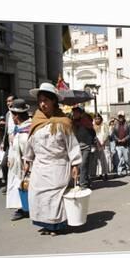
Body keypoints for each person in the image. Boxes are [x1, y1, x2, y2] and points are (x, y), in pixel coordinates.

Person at [23, 83, 82, 236]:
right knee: (39, 195)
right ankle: (45, 224)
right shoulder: (36, 121)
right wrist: (27, 159)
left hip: (58, 166)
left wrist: (75, 163)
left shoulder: (62, 121)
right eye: (40, 100)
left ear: (54, 101)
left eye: (46, 100)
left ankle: (56, 226)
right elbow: (31, 142)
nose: (43, 104)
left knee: (55, 196)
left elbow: (71, 144)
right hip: (39, 167)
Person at [5, 99, 32, 221]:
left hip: (24, 166)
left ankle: (25, 208)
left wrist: (26, 163)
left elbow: (28, 150)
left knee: (24, 186)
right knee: (18, 186)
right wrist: (10, 158)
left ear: (17, 116)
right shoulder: (19, 128)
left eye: (12, 115)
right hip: (15, 165)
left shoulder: (27, 130)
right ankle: (21, 208)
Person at [71, 106, 96, 189]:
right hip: (76, 147)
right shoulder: (72, 122)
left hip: (86, 147)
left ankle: (83, 184)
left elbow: (93, 132)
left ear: (80, 113)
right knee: (78, 166)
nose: (74, 114)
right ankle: (87, 180)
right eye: (73, 113)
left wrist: (92, 143)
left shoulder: (86, 121)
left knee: (83, 165)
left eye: (76, 112)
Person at [0, 95, 17, 194]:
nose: (8, 103)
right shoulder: (7, 114)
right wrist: (3, 142)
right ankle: (7, 184)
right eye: (7, 101)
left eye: (10, 101)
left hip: (18, 141)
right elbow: (7, 130)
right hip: (9, 144)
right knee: (4, 164)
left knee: (17, 164)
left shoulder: (20, 113)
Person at [111, 110, 130, 176]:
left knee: (126, 159)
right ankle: (119, 171)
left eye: (122, 116)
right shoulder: (115, 125)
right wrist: (117, 139)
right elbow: (113, 134)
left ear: (124, 117)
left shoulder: (128, 124)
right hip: (118, 145)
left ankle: (128, 170)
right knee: (119, 159)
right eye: (119, 116)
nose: (120, 118)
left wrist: (125, 139)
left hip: (126, 145)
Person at [92, 114, 110, 181]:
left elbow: (107, 133)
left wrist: (103, 141)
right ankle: (99, 174)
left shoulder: (104, 125)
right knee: (98, 161)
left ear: (101, 119)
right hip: (96, 145)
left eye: (98, 118)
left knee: (105, 160)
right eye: (96, 118)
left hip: (104, 144)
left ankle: (105, 173)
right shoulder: (93, 126)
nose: (97, 120)